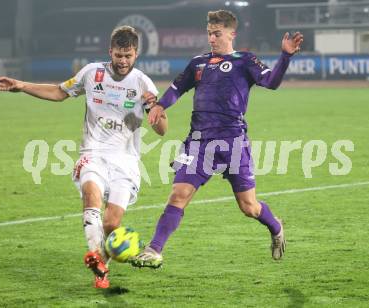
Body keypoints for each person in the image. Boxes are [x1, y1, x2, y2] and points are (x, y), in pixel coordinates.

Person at [0, 26, 168, 288]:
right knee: (90, 196)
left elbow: (162, 130)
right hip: (93, 153)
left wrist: (154, 107)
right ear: (110, 51)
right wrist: (21, 86)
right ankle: (97, 259)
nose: (123, 61)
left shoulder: (143, 83)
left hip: (126, 161)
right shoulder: (92, 73)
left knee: (112, 224)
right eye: (118, 55)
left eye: (128, 56)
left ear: (136, 54)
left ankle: (103, 262)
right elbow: (59, 92)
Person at [130, 10, 303, 268]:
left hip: (233, 143)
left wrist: (285, 56)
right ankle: (154, 249)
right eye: (209, 33)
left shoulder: (245, 60)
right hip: (199, 143)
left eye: (217, 33)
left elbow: (272, 82)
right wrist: (160, 106)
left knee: (249, 207)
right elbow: (177, 89)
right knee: (179, 194)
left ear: (232, 33)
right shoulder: (198, 63)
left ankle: (276, 226)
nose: (212, 38)